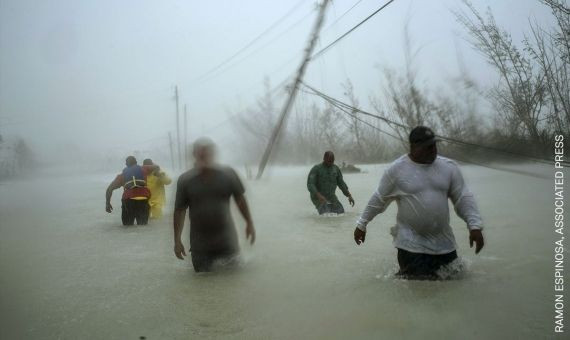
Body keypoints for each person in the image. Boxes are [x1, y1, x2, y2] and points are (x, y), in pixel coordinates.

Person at [353, 126, 484, 280]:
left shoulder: (449, 167)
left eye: (434, 145)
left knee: (453, 289)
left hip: (444, 245)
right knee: (418, 293)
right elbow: (379, 199)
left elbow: (463, 198)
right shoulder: (396, 170)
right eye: (428, 147)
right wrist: (362, 224)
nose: (433, 150)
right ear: (414, 147)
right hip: (410, 247)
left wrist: (474, 226)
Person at [173, 137, 256, 272]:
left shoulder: (228, 174)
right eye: (201, 154)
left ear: (213, 155)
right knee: (202, 286)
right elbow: (179, 210)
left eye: (207, 153)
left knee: (234, 284)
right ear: (194, 155)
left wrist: (249, 223)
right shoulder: (185, 180)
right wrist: (177, 240)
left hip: (227, 242)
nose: (204, 157)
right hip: (200, 246)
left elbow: (240, 199)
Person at [105, 156, 159, 226]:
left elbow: (109, 189)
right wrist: (156, 174)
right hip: (143, 201)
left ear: (126, 165)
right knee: (143, 226)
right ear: (136, 163)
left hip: (128, 202)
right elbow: (157, 167)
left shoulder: (122, 176)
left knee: (127, 227)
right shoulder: (144, 168)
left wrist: (108, 204)